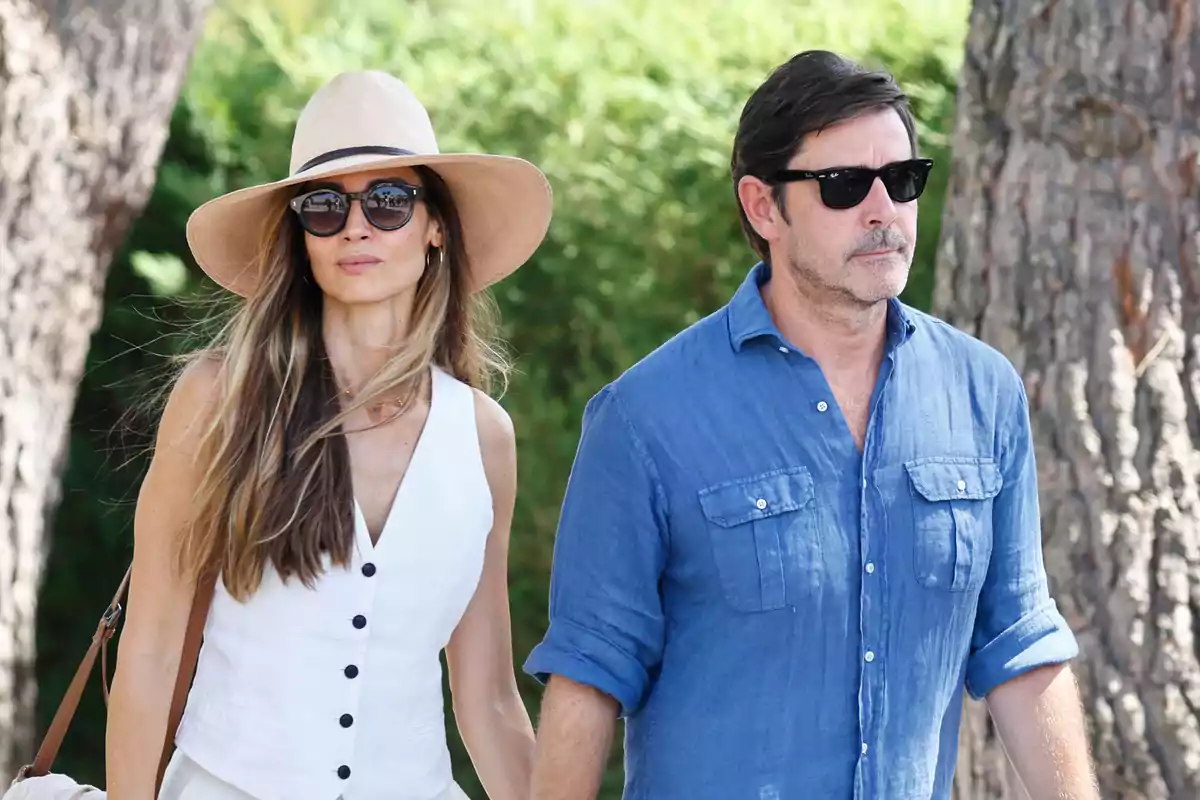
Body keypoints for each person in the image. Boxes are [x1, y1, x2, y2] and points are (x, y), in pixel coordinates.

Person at [524, 50, 1099, 800]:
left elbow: (1019, 646)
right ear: (763, 207)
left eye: (902, 181)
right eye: (843, 186)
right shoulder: (642, 420)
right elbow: (589, 676)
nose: (882, 210)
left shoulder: (982, 392)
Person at [105, 70, 552, 800]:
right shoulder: (219, 400)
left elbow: (489, 699)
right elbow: (150, 651)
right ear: (300, 237)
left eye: (388, 201)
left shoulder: (483, 437)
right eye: (324, 206)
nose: (357, 225)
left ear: (436, 226)